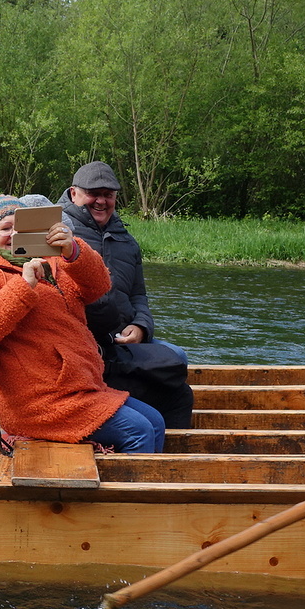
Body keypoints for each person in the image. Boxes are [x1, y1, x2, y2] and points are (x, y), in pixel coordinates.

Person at [0, 194, 165, 453]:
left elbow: (99, 286)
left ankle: (136, 479)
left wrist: (73, 250)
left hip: (79, 387)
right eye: (5, 228)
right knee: (139, 430)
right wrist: (24, 286)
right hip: (38, 401)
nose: (13, 235)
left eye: (21, 228)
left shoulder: (52, 262)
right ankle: (128, 481)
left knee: (156, 422)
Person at [59, 161, 194, 429]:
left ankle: (157, 427)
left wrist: (141, 327)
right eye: (93, 193)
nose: (101, 201)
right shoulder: (61, 237)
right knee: (174, 363)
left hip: (124, 337)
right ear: (74, 194)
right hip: (86, 342)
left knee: (178, 357)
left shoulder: (127, 241)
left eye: (108, 195)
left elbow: (138, 296)